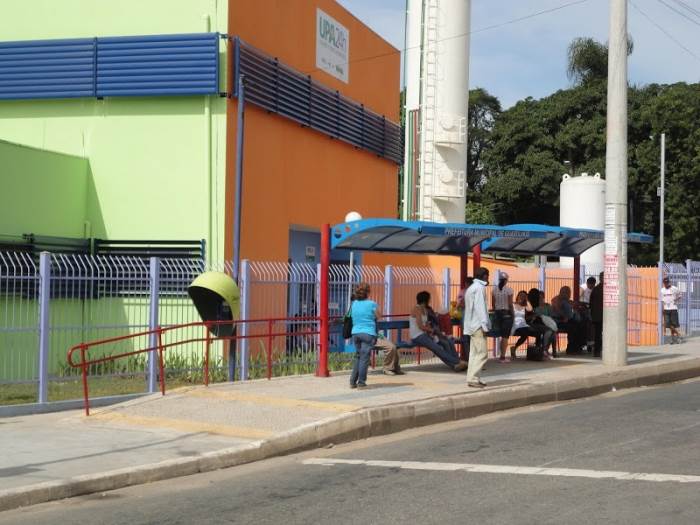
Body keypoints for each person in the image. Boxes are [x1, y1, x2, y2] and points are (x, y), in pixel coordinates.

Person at [410, 291, 468, 372]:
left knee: (445, 343)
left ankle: (455, 365)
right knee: (437, 349)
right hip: (417, 336)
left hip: (426, 334)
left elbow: (426, 324)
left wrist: (432, 333)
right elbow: (420, 326)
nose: (430, 300)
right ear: (425, 299)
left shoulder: (425, 309)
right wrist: (432, 330)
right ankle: (458, 362)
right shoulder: (416, 309)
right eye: (429, 298)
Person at [464, 267, 491, 388]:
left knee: (474, 354)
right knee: (482, 353)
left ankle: (472, 378)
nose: (488, 278)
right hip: (478, 325)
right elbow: (481, 308)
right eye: (488, 275)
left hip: (471, 325)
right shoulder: (479, 288)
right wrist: (485, 325)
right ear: (484, 276)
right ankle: (473, 378)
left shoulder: (471, 288)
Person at [348, 282, 378, 389]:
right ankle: (361, 382)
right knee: (364, 358)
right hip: (368, 333)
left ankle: (352, 382)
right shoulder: (372, 304)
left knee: (358, 356)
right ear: (368, 292)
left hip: (355, 333)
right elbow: (379, 315)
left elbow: (351, 316)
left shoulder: (354, 304)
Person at [551, 285, 586, 354]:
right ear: (562, 292)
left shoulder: (566, 301)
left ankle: (578, 346)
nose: (569, 294)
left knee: (581, 325)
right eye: (567, 292)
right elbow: (558, 310)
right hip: (558, 321)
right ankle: (571, 348)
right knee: (573, 327)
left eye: (569, 292)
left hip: (566, 320)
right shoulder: (556, 300)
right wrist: (564, 316)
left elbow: (572, 308)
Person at [492, 272, 514, 362]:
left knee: (501, 335)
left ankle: (501, 356)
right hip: (506, 314)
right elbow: (510, 304)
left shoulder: (494, 290)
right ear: (506, 280)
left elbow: (493, 305)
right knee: (505, 336)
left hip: (497, 314)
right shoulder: (509, 290)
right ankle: (502, 357)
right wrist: (513, 315)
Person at [661, 276, 683, 344]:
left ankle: (673, 339)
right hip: (666, 309)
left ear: (669, 282)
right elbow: (662, 300)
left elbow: (680, 295)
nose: (666, 283)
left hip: (673, 308)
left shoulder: (674, 288)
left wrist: (676, 299)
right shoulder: (662, 290)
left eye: (667, 282)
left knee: (674, 324)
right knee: (668, 324)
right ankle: (679, 334)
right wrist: (662, 309)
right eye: (665, 282)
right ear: (663, 283)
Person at [589, 272, 604, 357]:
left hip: (597, 315)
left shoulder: (596, 289)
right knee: (599, 334)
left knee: (597, 334)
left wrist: (592, 314)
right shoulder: (606, 289)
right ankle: (599, 350)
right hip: (602, 315)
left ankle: (597, 351)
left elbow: (591, 303)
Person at [581, 276, 597, 351]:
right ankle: (587, 342)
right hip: (586, 309)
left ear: (594, 284)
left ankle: (591, 342)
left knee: (592, 326)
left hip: (592, 310)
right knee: (587, 326)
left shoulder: (595, 290)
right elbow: (580, 298)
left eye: (591, 285)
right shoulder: (583, 289)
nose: (589, 286)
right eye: (588, 284)